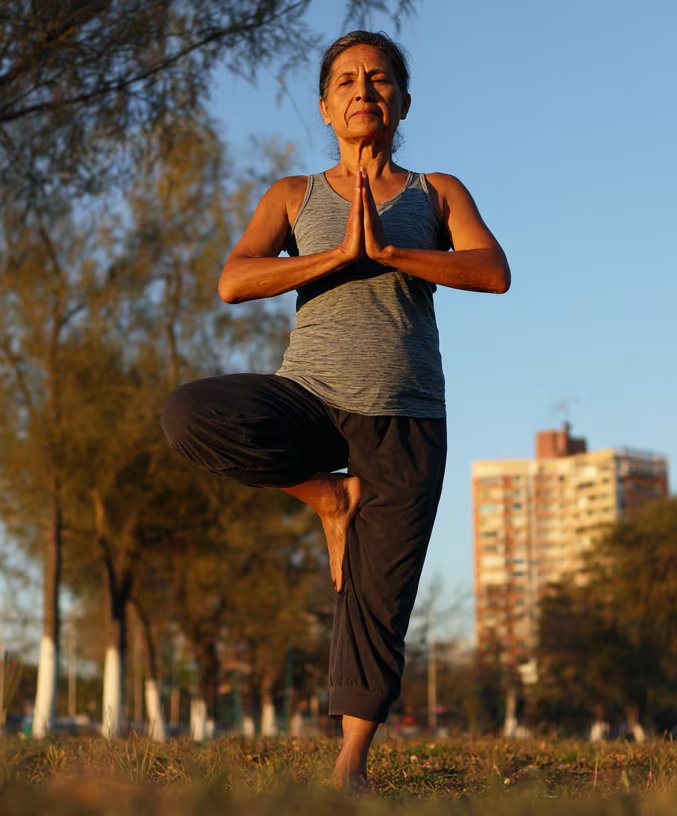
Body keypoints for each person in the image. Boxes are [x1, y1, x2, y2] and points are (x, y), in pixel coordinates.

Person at [160, 30, 509, 790]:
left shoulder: (437, 192)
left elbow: (492, 271)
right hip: (308, 396)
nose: (363, 91)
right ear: (325, 107)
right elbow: (233, 279)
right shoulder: (293, 194)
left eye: (380, 80)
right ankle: (328, 495)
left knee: (377, 600)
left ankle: (351, 765)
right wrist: (335, 257)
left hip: (407, 414)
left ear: (403, 101)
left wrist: (391, 254)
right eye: (347, 81)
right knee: (191, 413)